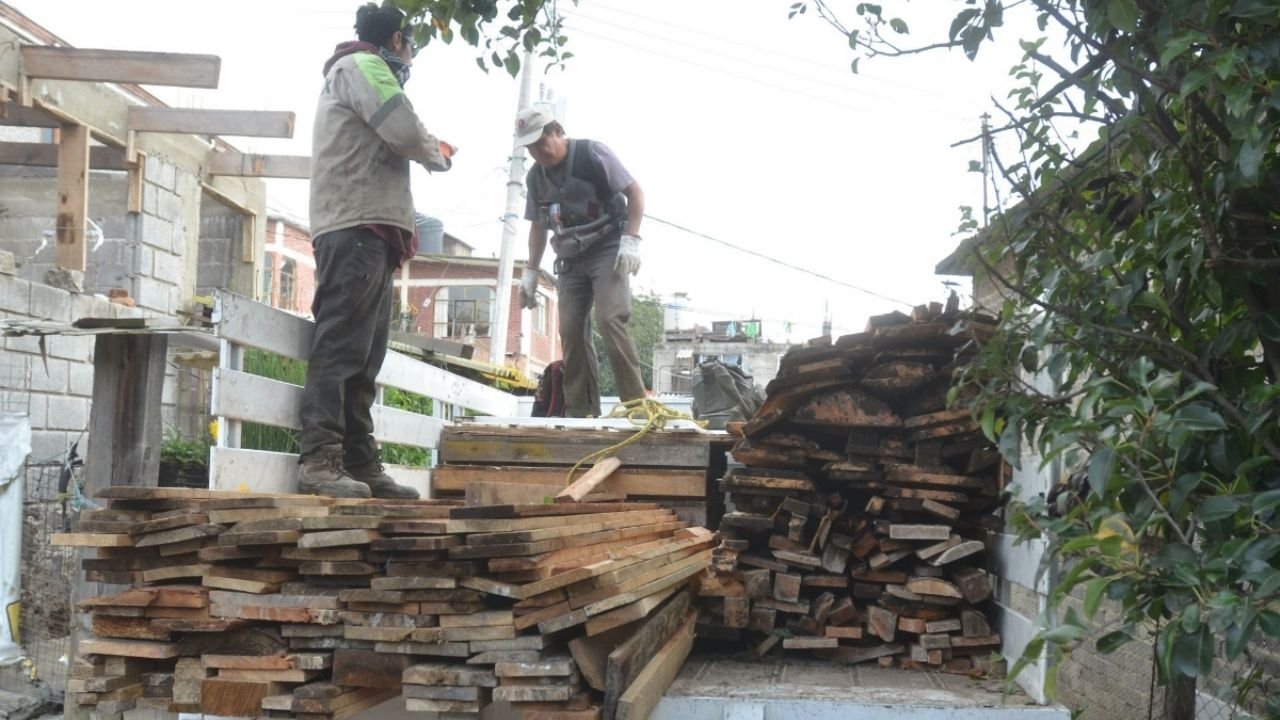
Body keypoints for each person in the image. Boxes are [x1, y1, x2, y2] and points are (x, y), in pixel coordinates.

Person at [298, 2, 453, 498]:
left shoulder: (351, 71)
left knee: (366, 354)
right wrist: (436, 152)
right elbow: (403, 128)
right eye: (409, 44)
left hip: (368, 226)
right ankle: (321, 461)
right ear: (395, 40)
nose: (410, 56)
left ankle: (359, 460)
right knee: (342, 345)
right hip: (356, 224)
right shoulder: (365, 65)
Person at [515, 107, 646, 418]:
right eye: (530, 147)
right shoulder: (536, 177)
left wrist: (632, 238)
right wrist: (531, 272)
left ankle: (637, 407)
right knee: (571, 329)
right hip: (570, 258)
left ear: (557, 131)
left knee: (610, 318)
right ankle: (582, 411)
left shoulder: (592, 154)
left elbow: (635, 193)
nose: (537, 152)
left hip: (606, 247)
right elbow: (537, 226)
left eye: (540, 143)